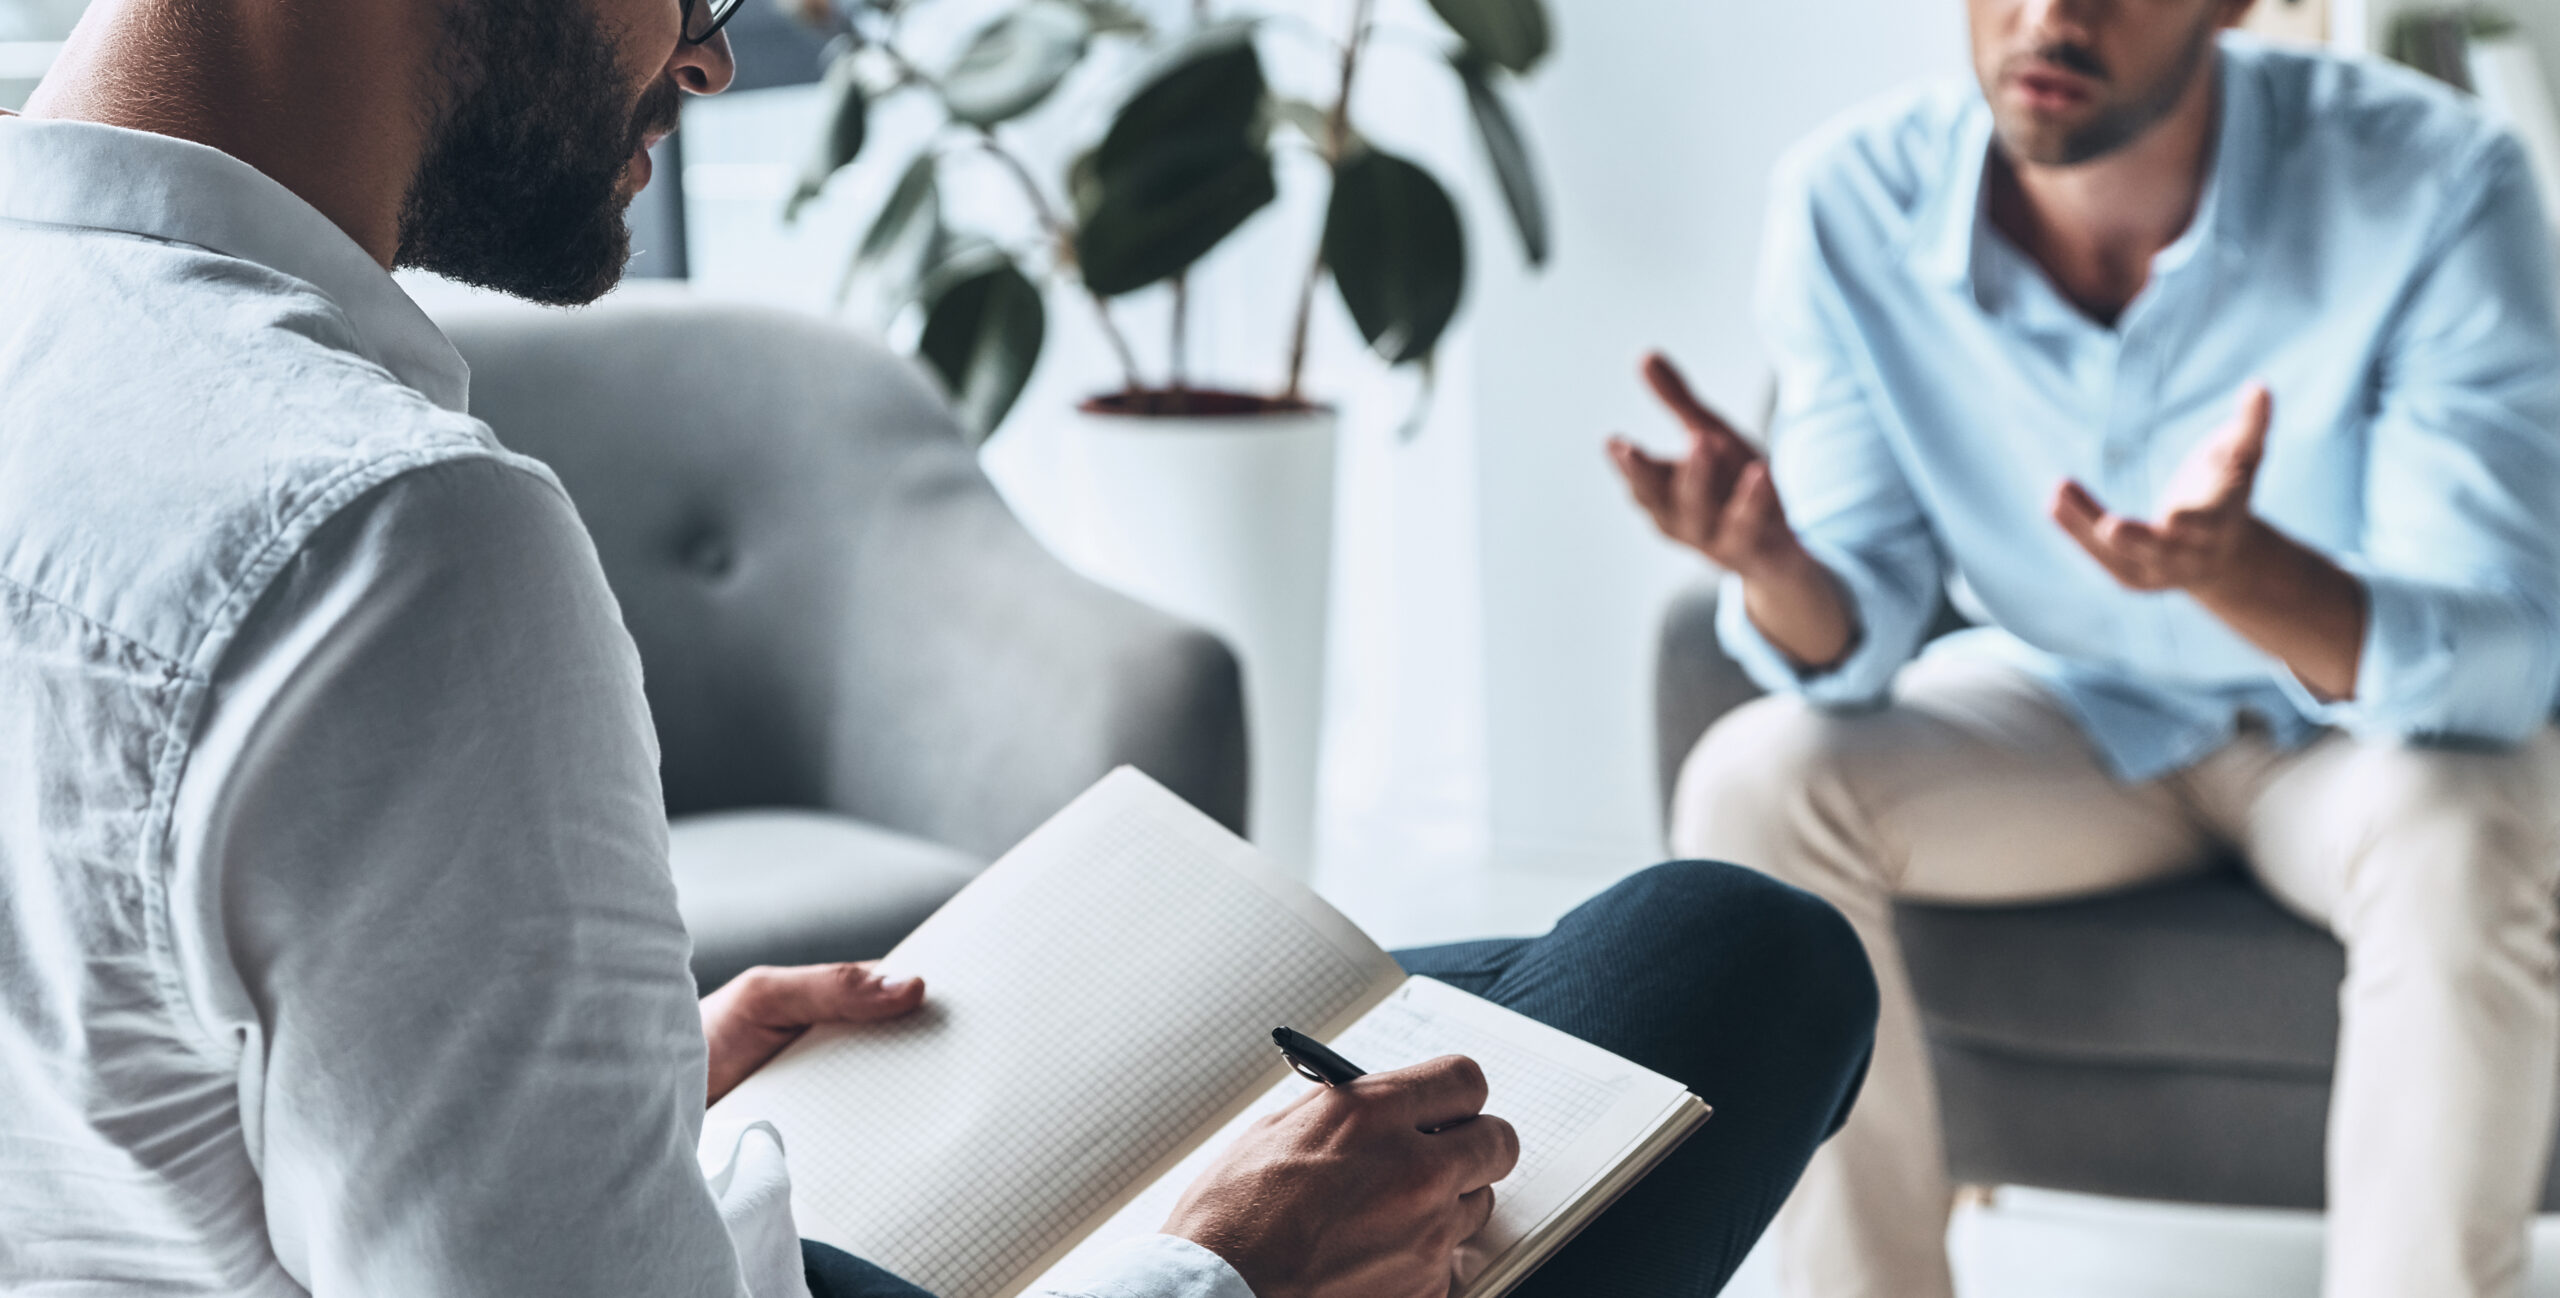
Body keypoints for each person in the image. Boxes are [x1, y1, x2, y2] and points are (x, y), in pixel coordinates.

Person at [0, 0, 1880, 1294]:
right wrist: (1222, 1264)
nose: (713, 56)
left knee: (1443, 1005)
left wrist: (603, 1101)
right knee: (1735, 960)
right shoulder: (387, 542)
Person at [1610, 0, 2560, 1294]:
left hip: (2359, 739)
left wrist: (2254, 578)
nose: (2054, 15)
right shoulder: (1851, 197)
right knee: (1754, 777)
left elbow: (2503, 654)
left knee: (2470, 827)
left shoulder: (2437, 179)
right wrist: (1778, 568)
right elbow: (1862, 616)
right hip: (2075, 704)